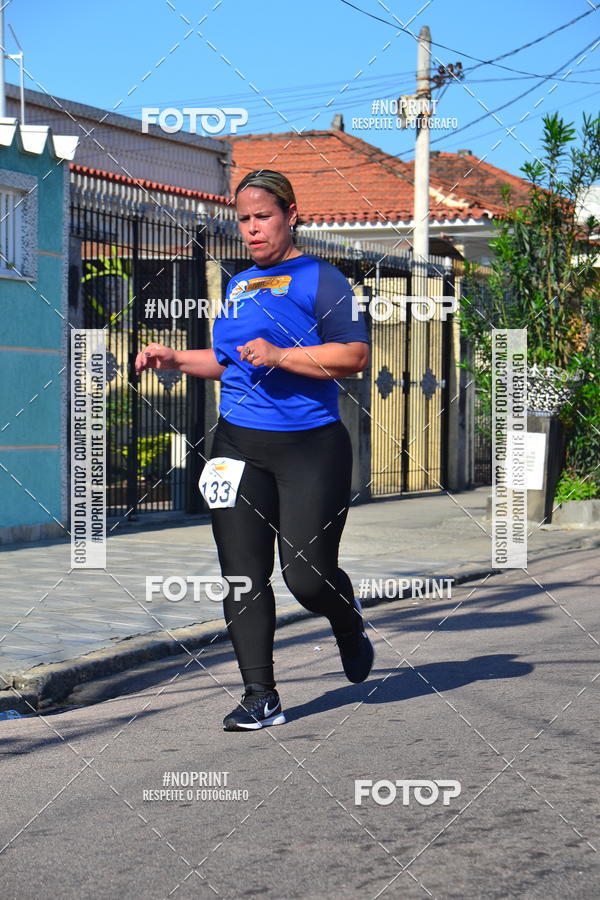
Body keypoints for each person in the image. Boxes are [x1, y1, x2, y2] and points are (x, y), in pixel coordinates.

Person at [135, 169, 374, 731]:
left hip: (310, 446)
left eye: (262, 216)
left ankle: (346, 621)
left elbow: (354, 357)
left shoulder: (322, 278)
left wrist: (282, 355)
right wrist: (175, 359)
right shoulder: (238, 285)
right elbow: (229, 362)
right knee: (242, 575)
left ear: (291, 215)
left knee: (308, 579)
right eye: (243, 219)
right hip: (237, 443)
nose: (252, 228)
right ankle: (259, 695)